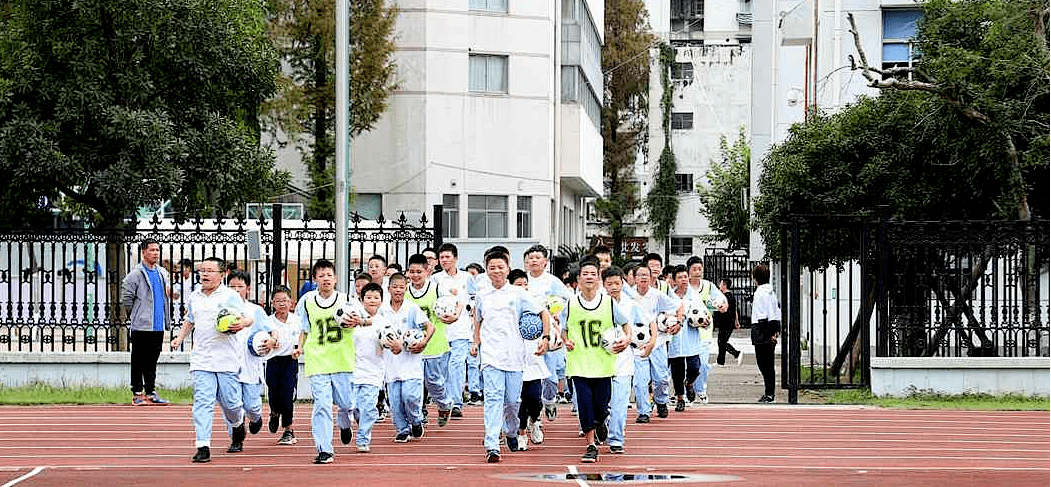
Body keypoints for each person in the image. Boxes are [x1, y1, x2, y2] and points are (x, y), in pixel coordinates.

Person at [170, 257, 253, 463]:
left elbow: (248, 318)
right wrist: (180, 337)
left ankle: (237, 424)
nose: (204, 274)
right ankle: (203, 445)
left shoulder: (230, 296)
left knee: (230, 404)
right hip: (202, 359)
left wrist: (240, 324)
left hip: (226, 359)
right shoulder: (194, 296)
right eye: (202, 270)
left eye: (209, 271)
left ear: (222, 274)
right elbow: (190, 320)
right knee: (203, 402)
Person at [471, 249, 550, 463]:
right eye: (492, 268)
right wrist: (475, 342)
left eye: (500, 267)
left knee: (513, 401)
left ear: (507, 268)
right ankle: (492, 444)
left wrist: (545, 337)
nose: (496, 271)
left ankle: (512, 431)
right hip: (490, 357)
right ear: (486, 270)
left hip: (515, 357)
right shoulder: (482, 294)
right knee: (494, 398)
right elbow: (477, 320)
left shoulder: (519, 294)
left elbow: (543, 312)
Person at [559, 256, 631, 463]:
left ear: (599, 278)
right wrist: (566, 341)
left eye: (593, 273)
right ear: (578, 279)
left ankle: (600, 422)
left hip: (603, 365)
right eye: (585, 274)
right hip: (579, 364)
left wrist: (625, 340)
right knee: (584, 405)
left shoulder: (608, 303)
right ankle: (591, 445)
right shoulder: (571, 304)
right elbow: (563, 330)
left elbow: (626, 326)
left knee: (601, 406)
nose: (589, 277)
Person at [293, 258, 361, 464]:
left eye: (329, 275)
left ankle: (344, 421)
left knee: (347, 402)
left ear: (335, 278)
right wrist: (299, 347)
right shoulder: (306, 301)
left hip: (342, 359)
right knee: (322, 405)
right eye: (321, 276)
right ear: (315, 279)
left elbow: (363, 319)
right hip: (318, 359)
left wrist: (357, 321)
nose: (325, 279)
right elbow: (303, 329)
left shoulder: (347, 300)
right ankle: (324, 449)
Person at [601, 266, 651, 454]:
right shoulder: (597, 303)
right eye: (609, 283)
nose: (614, 287)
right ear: (603, 284)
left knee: (620, 403)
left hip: (623, 362)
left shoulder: (631, 305)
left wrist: (647, 342)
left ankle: (616, 439)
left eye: (617, 283)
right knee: (601, 404)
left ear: (623, 283)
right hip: (598, 363)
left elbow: (647, 324)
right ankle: (600, 423)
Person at [522, 244, 573, 419]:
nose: (533, 260)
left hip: (550, 334)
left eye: (537, 257)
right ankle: (532, 413)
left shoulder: (552, 282)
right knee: (530, 376)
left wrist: (558, 313)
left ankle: (550, 400)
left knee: (551, 376)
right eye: (530, 257)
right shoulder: (523, 281)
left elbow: (569, 300)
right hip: (527, 335)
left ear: (545, 261)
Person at [382, 273, 433, 442]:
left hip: (411, 364)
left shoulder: (412, 309)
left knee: (410, 398)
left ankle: (416, 420)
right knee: (395, 403)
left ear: (406, 289)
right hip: (391, 365)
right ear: (389, 288)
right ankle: (402, 429)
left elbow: (430, 327)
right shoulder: (382, 310)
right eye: (394, 287)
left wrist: (422, 342)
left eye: (401, 287)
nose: (398, 290)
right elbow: (378, 333)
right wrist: (391, 345)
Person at [405, 253, 455, 427]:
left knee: (433, 381)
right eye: (412, 272)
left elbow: (455, 303)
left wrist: (453, 315)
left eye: (419, 271)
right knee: (414, 383)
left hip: (435, 344)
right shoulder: (404, 292)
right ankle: (418, 415)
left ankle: (444, 403)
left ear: (426, 271)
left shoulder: (436, 289)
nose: (415, 275)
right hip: (412, 346)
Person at [121, 238, 172, 406]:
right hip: (141, 326)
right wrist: (136, 314)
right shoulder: (135, 274)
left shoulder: (162, 273)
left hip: (157, 325)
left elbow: (167, 295)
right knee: (138, 360)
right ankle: (137, 393)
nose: (155, 253)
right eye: (152, 250)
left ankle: (151, 392)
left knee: (152, 360)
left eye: (157, 250)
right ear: (143, 252)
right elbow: (127, 299)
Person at [226, 271, 273, 452]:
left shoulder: (256, 311)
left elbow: (272, 331)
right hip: (228, 367)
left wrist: (272, 341)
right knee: (232, 406)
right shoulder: (222, 310)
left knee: (250, 406)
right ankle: (236, 439)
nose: (236, 290)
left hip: (250, 366)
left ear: (248, 289)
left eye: (240, 287)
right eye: (232, 287)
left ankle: (256, 418)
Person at [630, 265, 681, 422]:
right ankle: (644, 411)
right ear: (634, 278)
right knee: (640, 381)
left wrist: (678, 321)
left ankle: (661, 401)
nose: (644, 278)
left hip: (657, 341)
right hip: (637, 344)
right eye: (640, 275)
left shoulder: (657, 295)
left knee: (660, 378)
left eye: (646, 275)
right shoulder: (629, 295)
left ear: (651, 277)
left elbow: (678, 305)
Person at [430, 243, 472, 418]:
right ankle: (445, 400)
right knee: (443, 368)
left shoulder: (467, 277)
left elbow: (472, 301)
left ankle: (456, 402)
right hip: (442, 331)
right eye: (442, 257)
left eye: (448, 256)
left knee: (456, 366)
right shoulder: (435, 279)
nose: (445, 260)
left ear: (455, 258)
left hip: (461, 330)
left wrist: (459, 313)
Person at [509, 269, 549, 450]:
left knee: (534, 399)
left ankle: (535, 420)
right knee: (520, 400)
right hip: (514, 361)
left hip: (533, 360)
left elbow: (546, 317)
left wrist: (547, 338)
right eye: (519, 285)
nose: (523, 288)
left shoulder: (535, 303)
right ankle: (522, 433)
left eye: (525, 284)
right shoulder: (508, 305)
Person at [683, 256, 728, 404]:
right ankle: (685, 392)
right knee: (686, 365)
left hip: (704, 332)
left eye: (700, 269)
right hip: (686, 332)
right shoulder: (684, 286)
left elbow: (722, 300)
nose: (697, 272)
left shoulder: (708, 286)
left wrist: (723, 306)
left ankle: (700, 390)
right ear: (688, 271)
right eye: (694, 269)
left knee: (702, 363)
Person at [349, 282, 388, 453]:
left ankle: (363, 438)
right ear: (361, 299)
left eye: (376, 298)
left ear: (381, 300)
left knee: (369, 406)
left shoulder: (384, 320)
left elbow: (389, 338)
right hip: (354, 370)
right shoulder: (352, 318)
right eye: (368, 297)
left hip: (374, 372)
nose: (372, 301)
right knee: (353, 407)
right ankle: (359, 422)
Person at [264, 285, 302, 445]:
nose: (282, 304)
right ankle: (274, 413)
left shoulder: (297, 320)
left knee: (287, 396)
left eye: (285, 300)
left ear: (291, 303)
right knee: (273, 393)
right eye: (278, 301)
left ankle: (288, 429)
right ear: (272, 303)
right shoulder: (268, 321)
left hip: (290, 361)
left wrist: (299, 349)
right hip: (273, 361)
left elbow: (301, 336)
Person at [667, 265, 700, 412]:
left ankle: (690, 383)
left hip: (691, 338)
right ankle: (680, 398)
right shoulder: (669, 297)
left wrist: (705, 320)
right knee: (677, 372)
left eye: (685, 277)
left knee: (695, 367)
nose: (684, 280)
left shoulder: (694, 295)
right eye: (680, 277)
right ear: (674, 280)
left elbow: (704, 313)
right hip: (675, 339)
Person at [751, 264, 781, 403]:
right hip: (771, 327)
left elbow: (761, 315)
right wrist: (775, 331)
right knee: (769, 364)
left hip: (761, 329)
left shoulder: (759, 293)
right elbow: (776, 312)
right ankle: (770, 393)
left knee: (764, 364)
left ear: (755, 278)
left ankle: (769, 394)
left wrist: (768, 333)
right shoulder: (771, 292)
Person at [715, 278, 743, 366]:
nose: (719, 285)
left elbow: (722, 308)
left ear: (724, 285)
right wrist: (737, 321)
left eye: (721, 283)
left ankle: (736, 353)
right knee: (722, 341)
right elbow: (735, 310)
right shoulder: (731, 296)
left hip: (725, 322)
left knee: (721, 342)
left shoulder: (724, 296)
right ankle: (720, 361)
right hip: (728, 322)